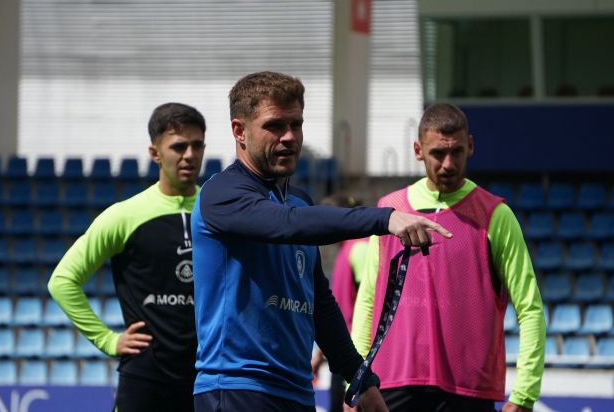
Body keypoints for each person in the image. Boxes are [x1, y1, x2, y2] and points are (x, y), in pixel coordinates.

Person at [190, 71, 452, 412]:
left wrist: (360, 378)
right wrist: (384, 218)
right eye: (274, 126)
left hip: (297, 391)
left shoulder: (299, 201)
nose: (289, 137)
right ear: (239, 131)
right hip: (237, 388)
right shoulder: (220, 194)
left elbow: (319, 306)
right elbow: (286, 224)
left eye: (296, 124)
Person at [351, 103, 546, 412]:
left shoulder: (496, 215)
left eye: (456, 151)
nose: (447, 164)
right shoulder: (389, 211)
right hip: (392, 385)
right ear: (417, 150)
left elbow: (530, 308)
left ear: (470, 146)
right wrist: (355, 380)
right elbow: (368, 300)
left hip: (468, 391)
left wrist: (524, 395)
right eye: (437, 154)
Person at [47, 102, 207, 412]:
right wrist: (108, 340)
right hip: (146, 380)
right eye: (178, 146)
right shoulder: (124, 215)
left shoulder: (219, 211)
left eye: (197, 145)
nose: (189, 155)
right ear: (155, 153)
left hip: (209, 377)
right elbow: (62, 281)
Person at [311, 193, 369, 412]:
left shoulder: (360, 250)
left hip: (355, 362)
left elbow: (370, 309)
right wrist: (319, 354)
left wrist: (359, 382)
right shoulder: (347, 250)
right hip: (343, 358)